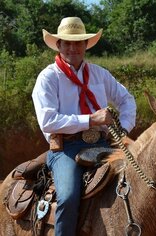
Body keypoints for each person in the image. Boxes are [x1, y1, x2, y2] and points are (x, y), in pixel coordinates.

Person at [32, 17, 136, 236]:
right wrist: (91, 119)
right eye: (67, 43)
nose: (73, 48)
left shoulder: (100, 74)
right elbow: (48, 121)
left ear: (86, 45)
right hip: (67, 149)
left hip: (102, 142)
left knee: (142, 176)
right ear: (58, 45)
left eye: (78, 42)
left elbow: (127, 100)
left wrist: (123, 130)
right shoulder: (48, 78)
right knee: (68, 197)